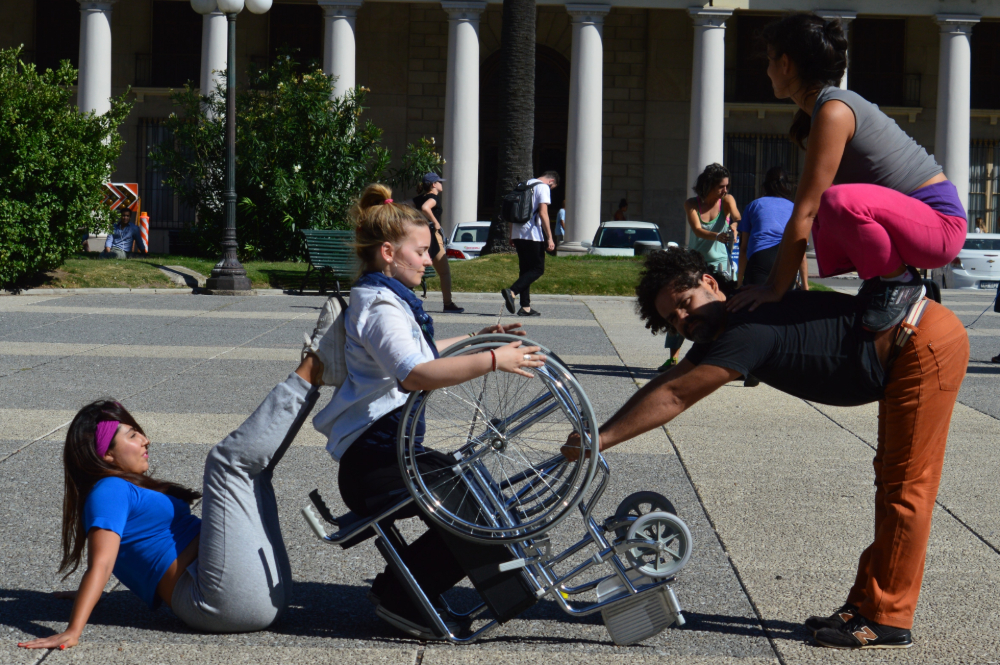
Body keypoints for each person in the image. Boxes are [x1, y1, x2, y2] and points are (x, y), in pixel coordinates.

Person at [563, 248, 968, 650]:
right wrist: (599, 432)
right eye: (673, 319)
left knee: (906, 488)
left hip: (919, 345)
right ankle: (864, 605)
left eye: (685, 305)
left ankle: (888, 619)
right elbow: (668, 383)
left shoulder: (745, 329)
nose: (684, 320)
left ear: (709, 283)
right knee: (891, 483)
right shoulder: (729, 322)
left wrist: (599, 441)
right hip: (905, 347)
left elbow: (675, 396)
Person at [17, 308, 344, 649]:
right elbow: (102, 561)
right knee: (226, 463)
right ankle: (314, 366)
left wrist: (90, 592)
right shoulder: (109, 490)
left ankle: (319, 369)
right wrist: (73, 629)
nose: (145, 440)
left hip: (242, 593)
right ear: (106, 455)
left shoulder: (116, 490)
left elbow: (122, 552)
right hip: (220, 601)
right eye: (131, 435)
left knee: (255, 474)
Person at [312, 183, 544, 640]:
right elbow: (414, 374)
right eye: (420, 251)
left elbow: (421, 356)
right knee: (471, 506)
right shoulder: (378, 305)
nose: (427, 259)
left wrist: (479, 338)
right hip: (374, 462)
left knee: (475, 497)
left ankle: (401, 591)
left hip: (383, 455)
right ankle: (402, 599)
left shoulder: (387, 299)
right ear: (387, 252)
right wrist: (494, 361)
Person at [730, 14, 967, 332]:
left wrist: (773, 290)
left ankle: (901, 282)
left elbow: (806, 209)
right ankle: (884, 280)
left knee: (834, 201)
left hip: (940, 226)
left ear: (785, 64)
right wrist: (770, 286)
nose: (767, 69)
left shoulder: (834, 110)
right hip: (915, 224)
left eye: (770, 60)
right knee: (830, 209)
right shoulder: (822, 109)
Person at [737, 166, 809, 290]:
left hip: (760, 257)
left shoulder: (753, 206)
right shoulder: (795, 208)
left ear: (765, 185)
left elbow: (744, 249)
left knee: (755, 303)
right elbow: (801, 252)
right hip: (786, 257)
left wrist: (739, 282)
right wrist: (805, 286)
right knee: (782, 304)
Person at [500, 171, 559, 317]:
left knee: (525, 270)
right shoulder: (543, 187)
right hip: (532, 234)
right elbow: (543, 213)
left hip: (518, 233)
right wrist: (550, 238)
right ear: (551, 181)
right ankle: (512, 291)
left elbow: (512, 211)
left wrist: (511, 234)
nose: (550, 190)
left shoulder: (523, 185)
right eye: (552, 188)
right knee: (538, 269)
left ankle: (525, 307)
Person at [412, 172, 463, 313]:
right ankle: (448, 303)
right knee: (444, 272)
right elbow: (425, 208)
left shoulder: (419, 198)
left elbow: (405, 205)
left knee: (413, 267)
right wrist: (435, 222)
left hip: (419, 236)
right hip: (432, 237)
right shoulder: (433, 198)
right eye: (439, 182)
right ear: (434, 185)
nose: (441, 184)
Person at [685, 163, 741, 278]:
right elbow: (697, 230)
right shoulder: (691, 203)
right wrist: (717, 236)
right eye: (721, 187)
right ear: (709, 185)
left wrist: (734, 226)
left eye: (727, 186)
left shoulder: (727, 200)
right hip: (696, 265)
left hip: (721, 265)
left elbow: (738, 219)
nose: (725, 190)